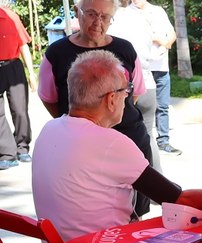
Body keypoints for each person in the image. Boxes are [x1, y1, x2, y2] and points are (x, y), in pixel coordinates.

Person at [31, 50, 202, 243]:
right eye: (125, 91)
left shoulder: (50, 129)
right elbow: (181, 200)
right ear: (111, 99)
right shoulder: (109, 143)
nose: (127, 97)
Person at [38, 0, 157, 219]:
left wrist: (110, 119)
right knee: (91, 210)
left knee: (135, 212)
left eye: (105, 17)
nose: (98, 23)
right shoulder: (57, 53)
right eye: (92, 14)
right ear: (77, 13)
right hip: (81, 148)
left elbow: (135, 92)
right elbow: (48, 97)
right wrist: (82, 127)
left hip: (129, 136)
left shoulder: (125, 49)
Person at [108, 0, 161, 172]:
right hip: (146, 82)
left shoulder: (114, 19)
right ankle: (158, 185)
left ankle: (153, 188)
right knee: (147, 137)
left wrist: (126, 98)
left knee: (131, 140)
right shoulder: (141, 16)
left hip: (127, 89)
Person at [131, 0, 180, 155]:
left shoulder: (158, 11)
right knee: (137, 107)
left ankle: (163, 140)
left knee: (163, 106)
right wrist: (154, 38)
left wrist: (166, 42)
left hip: (160, 68)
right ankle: (139, 141)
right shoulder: (128, 13)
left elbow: (171, 33)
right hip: (141, 70)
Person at [0, 0, 36, 169]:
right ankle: (7, 153)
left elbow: (23, 46)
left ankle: (22, 147)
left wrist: (32, 74)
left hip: (13, 66)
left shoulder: (11, 17)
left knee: (20, 109)